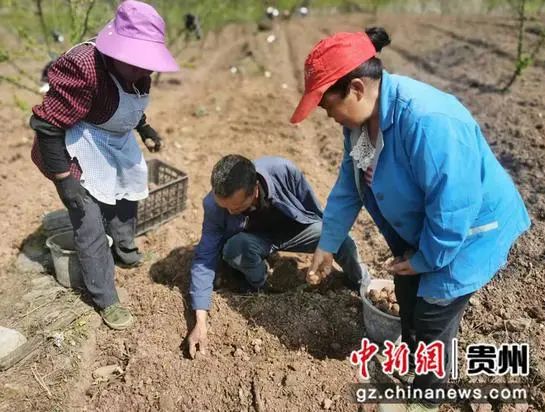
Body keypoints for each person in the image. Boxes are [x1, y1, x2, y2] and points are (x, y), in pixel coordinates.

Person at [291, 29, 530, 412]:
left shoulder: (427, 121)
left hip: (468, 233)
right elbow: (350, 184)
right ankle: (420, 362)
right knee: (408, 297)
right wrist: (327, 242)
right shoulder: (361, 126)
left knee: (433, 310)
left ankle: (427, 399)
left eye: (327, 105)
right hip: (423, 228)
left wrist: (424, 260)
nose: (329, 116)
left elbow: (453, 209)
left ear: (355, 88)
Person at [30, 0, 179, 330]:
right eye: (138, 63)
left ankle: (125, 251)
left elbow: (130, 106)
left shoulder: (139, 71)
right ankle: (104, 296)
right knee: (89, 217)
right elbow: (46, 126)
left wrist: (145, 129)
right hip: (77, 143)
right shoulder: (84, 67)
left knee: (127, 195)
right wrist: (63, 179)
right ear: (116, 52)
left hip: (114, 139)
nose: (146, 70)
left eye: (149, 63)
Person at [187, 154, 368, 358]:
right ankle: (262, 284)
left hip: (296, 230)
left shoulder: (282, 171)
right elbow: (205, 258)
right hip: (256, 239)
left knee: (341, 239)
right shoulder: (214, 205)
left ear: (255, 189)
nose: (229, 211)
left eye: (236, 208)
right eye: (224, 206)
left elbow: (312, 208)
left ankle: (361, 284)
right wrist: (200, 321)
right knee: (234, 248)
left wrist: (325, 247)